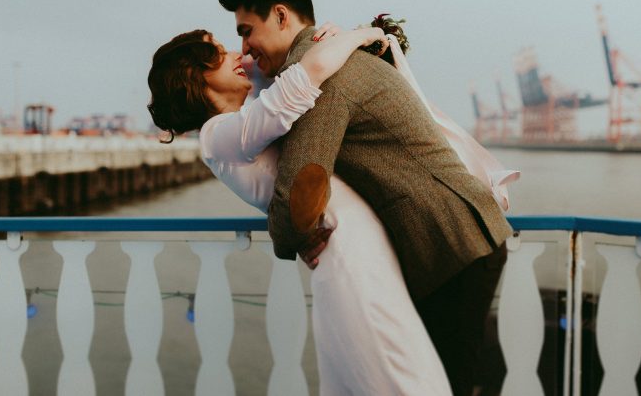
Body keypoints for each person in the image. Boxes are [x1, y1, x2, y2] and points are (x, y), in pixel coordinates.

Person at [219, 0, 518, 396]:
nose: (243, 47)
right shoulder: (328, 58)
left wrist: (288, 237)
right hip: (455, 238)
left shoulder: (322, 78)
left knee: (447, 383)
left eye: (247, 31)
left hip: (453, 243)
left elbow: (303, 181)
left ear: (282, 16)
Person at [147, 26, 455, 395]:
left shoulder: (233, 128)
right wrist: (364, 34)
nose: (235, 54)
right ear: (195, 75)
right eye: (217, 53)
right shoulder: (219, 134)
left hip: (354, 248)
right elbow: (305, 77)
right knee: (404, 375)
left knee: (372, 377)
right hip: (349, 254)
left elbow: (284, 64)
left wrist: (320, 36)